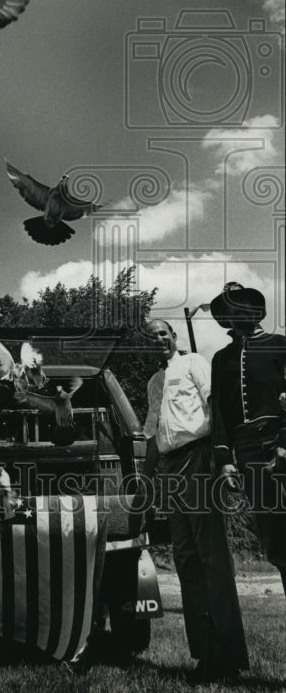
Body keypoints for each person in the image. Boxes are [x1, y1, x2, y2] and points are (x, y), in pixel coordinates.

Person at [146, 318, 248, 683]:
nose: (158, 339)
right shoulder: (153, 382)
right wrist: (145, 480)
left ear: (173, 336)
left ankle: (229, 659)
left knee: (212, 558)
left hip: (199, 459)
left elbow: (216, 409)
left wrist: (224, 460)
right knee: (186, 559)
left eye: (162, 333)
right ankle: (204, 656)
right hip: (170, 470)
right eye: (151, 336)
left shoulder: (194, 363)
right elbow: (151, 436)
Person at [209, 283, 286, 594]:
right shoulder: (221, 359)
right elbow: (220, 413)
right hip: (247, 450)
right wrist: (225, 460)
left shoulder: (281, 344)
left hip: (280, 440)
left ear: (257, 312)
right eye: (230, 309)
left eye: (242, 307)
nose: (237, 313)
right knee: (275, 539)